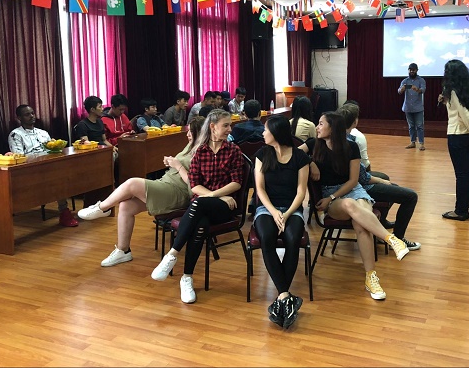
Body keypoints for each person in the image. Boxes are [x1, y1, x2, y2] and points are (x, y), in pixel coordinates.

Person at [299, 112, 409, 301]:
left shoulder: (351, 146)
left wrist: (334, 195)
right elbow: (294, 153)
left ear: (333, 127)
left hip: (353, 189)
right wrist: (310, 162)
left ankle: (371, 278)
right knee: (351, 205)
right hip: (331, 197)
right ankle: (391, 239)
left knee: (361, 224)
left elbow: (353, 181)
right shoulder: (313, 144)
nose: (317, 127)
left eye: (321, 124)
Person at [77, 117, 206, 266]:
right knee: (126, 206)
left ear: (200, 133)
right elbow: (180, 165)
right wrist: (171, 162)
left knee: (132, 183)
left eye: (190, 132)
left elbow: (194, 185)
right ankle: (123, 251)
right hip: (166, 184)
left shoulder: (204, 153)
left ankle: (102, 208)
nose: (187, 134)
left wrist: (178, 166)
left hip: (179, 192)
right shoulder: (191, 145)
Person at [151, 109, 245, 304]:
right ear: (212, 127)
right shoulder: (199, 152)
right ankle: (187, 278)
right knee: (200, 225)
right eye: (226, 125)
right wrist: (216, 196)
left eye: (230, 125)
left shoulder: (233, 150)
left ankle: (172, 255)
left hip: (225, 207)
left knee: (199, 203)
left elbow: (236, 183)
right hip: (206, 204)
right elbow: (194, 186)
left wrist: (213, 196)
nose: (230, 129)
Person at [337, 104, 420, 250]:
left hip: (347, 183)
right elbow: (363, 178)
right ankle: (398, 239)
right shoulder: (349, 143)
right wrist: (382, 181)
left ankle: (381, 225)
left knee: (387, 180)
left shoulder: (337, 138)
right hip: (357, 188)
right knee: (410, 196)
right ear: (355, 122)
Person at [253, 116, 310, 328]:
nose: (263, 133)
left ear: (276, 132)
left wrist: (285, 214)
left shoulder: (300, 157)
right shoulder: (262, 154)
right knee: (267, 236)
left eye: (266, 130)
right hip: (267, 208)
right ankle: (285, 295)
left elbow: (301, 192)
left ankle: (281, 298)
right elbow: (260, 189)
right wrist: (274, 212)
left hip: (292, 209)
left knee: (293, 238)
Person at [9, 104, 78, 227]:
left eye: (32, 113)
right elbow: (19, 157)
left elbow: (52, 150)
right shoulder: (16, 135)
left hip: (48, 166)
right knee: (58, 178)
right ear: (19, 118)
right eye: (27, 114)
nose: (32, 116)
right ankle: (64, 211)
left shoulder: (43, 133)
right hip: (30, 170)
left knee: (66, 172)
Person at [439, 59, 469, 221]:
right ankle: (462, 209)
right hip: (465, 137)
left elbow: (464, 115)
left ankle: (461, 211)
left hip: (457, 135)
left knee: (462, 175)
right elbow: (467, 112)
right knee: (465, 174)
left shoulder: (452, 91)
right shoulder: (467, 90)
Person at [398, 63, 427, 151]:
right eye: (410, 70)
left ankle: (421, 144)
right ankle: (412, 142)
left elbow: (423, 90)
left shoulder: (421, 80)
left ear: (416, 70)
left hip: (418, 107)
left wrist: (417, 89)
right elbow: (399, 91)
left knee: (419, 126)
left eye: (413, 70)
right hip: (408, 107)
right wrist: (402, 89)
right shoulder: (405, 81)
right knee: (411, 126)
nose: (411, 71)